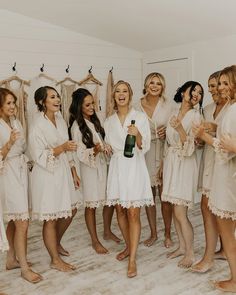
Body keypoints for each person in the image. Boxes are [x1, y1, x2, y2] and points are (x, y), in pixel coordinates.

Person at [193, 65, 236, 293]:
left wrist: (205, 137)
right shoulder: (229, 107)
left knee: (227, 230)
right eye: (219, 83)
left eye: (225, 83)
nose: (220, 87)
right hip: (222, 173)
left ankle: (234, 280)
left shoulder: (234, 108)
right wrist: (214, 127)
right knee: (225, 227)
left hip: (228, 176)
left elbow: (228, 147)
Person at [104, 80, 153, 278]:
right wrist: (105, 148)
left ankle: (132, 259)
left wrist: (138, 134)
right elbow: (109, 147)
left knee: (133, 213)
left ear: (130, 95)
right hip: (116, 168)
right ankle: (128, 245)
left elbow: (145, 146)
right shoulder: (108, 121)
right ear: (114, 96)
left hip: (134, 167)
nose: (121, 94)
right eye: (118, 91)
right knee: (120, 212)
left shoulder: (140, 117)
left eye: (125, 91)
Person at [29, 86, 79, 272]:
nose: (57, 99)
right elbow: (38, 156)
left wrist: (73, 171)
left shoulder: (59, 118)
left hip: (63, 171)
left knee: (71, 209)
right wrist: (63, 148)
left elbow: (68, 147)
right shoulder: (37, 125)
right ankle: (55, 259)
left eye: (57, 96)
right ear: (42, 102)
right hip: (46, 174)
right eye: (52, 97)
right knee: (51, 218)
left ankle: (55, 242)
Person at [69, 88, 119, 254]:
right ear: (79, 107)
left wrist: (106, 147)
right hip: (89, 170)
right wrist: (96, 150)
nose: (92, 107)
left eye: (93, 103)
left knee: (108, 200)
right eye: (87, 105)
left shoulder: (96, 121)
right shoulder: (77, 127)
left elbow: (102, 141)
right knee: (91, 205)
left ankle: (106, 230)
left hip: (102, 166)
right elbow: (81, 154)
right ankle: (94, 240)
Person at [0, 88, 42, 283]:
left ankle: (11, 259)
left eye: (13, 102)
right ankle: (24, 269)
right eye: (8, 103)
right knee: (22, 222)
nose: (12, 106)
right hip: (7, 174)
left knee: (14, 219)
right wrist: (9, 143)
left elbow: (23, 147)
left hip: (20, 170)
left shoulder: (15, 122)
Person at [162, 81, 204, 268]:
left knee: (180, 212)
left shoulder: (197, 116)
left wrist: (179, 129)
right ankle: (181, 246)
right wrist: (162, 165)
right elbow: (168, 143)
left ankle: (190, 253)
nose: (196, 94)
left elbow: (191, 148)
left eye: (200, 93)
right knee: (174, 209)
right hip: (172, 162)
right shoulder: (173, 112)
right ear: (183, 91)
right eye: (194, 90)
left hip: (185, 164)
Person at [134, 72, 174, 247]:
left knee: (165, 197)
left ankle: (167, 234)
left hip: (165, 151)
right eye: (152, 82)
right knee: (149, 196)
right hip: (146, 153)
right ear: (146, 85)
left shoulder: (169, 106)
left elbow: (175, 126)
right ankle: (153, 233)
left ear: (162, 87)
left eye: (159, 83)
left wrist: (167, 131)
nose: (155, 86)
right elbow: (132, 128)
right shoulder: (136, 105)